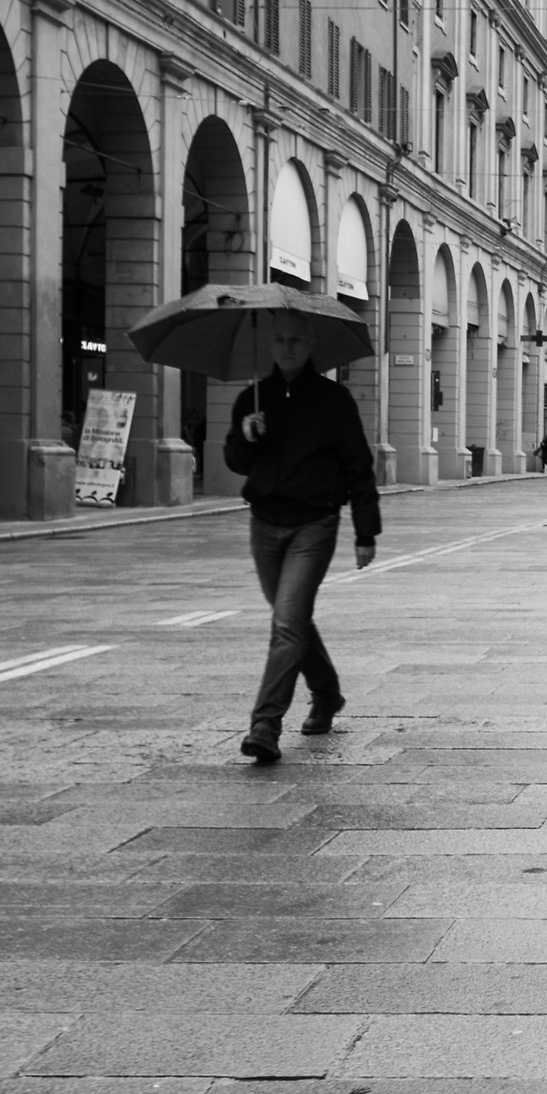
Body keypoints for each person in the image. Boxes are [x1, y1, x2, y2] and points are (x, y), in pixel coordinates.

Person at [224, 312, 381, 764]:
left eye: (295, 340)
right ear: (270, 345)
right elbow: (236, 461)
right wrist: (246, 436)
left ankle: (265, 725)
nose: (287, 347)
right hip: (264, 523)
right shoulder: (254, 399)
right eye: (280, 340)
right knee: (292, 620)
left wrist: (365, 531)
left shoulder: (334, 400)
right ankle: (327, 694)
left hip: (314, 524)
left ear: (310, 344)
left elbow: (358, 466)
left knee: (287, 623)